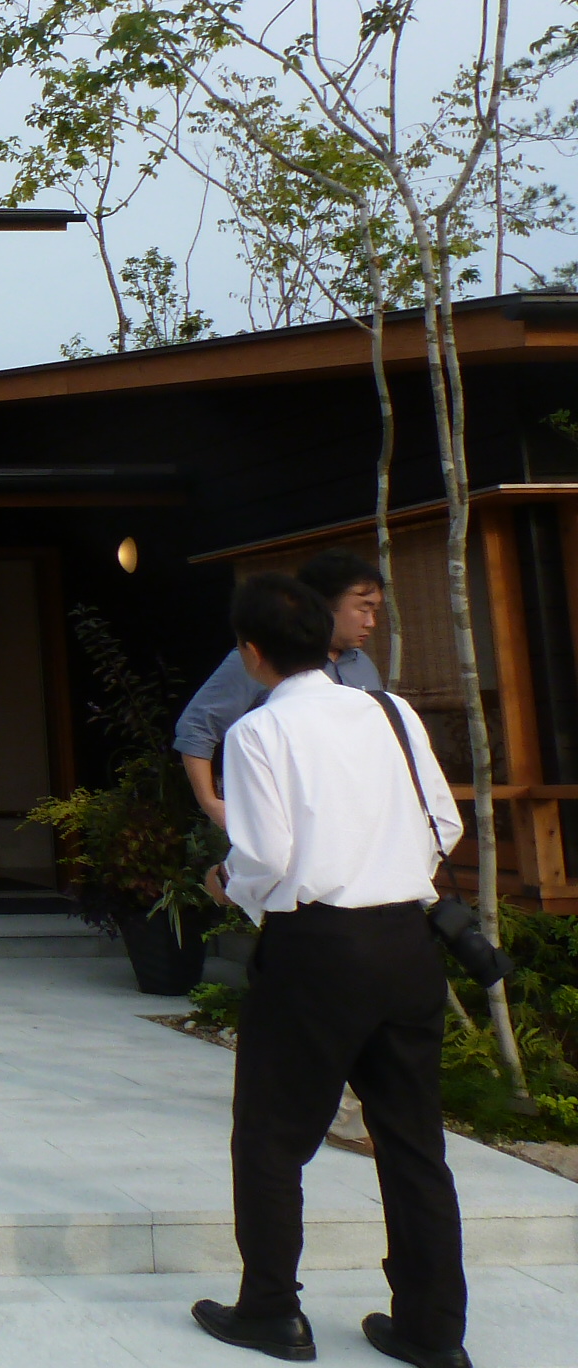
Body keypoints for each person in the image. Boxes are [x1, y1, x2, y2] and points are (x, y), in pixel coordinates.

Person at [189, 574, 468, 1368]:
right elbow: (443, 824)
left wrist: (231, 884)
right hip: (407, 941)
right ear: (325, 640)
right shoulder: (391, 711)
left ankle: (272, 1311)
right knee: (414, 1143)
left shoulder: (257, 732)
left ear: (252, 653)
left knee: (272, 1138)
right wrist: (384, 868)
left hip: (315, 948)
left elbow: (267, 855)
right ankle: (432, 1330)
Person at [176, 549, 387, 830]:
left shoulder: (363, 665)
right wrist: (211, 803)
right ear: (322, 604)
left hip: (356, 818)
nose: (371, 622)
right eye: (363, 608)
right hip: (281, 819)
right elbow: (197, 727)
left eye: (375, 611)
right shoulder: (263, 659)